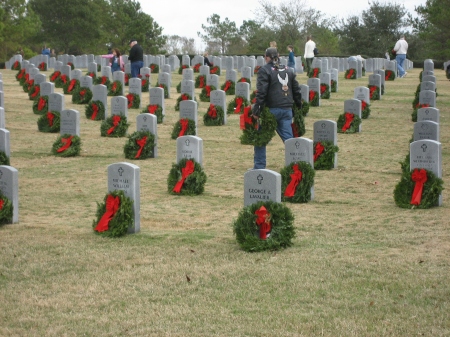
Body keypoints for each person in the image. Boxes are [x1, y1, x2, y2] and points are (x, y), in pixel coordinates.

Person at [251, 47, 302, 169]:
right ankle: (296, 164)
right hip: (286, 109)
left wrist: (257, 110)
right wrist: (298, 106)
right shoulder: (289, 70)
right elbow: (296, 90)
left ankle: (259, 166)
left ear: (266, 57)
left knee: (261, 139)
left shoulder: (265, 70)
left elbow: (261, 92)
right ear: (278, 56)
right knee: (289, 140)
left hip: (271, 110)